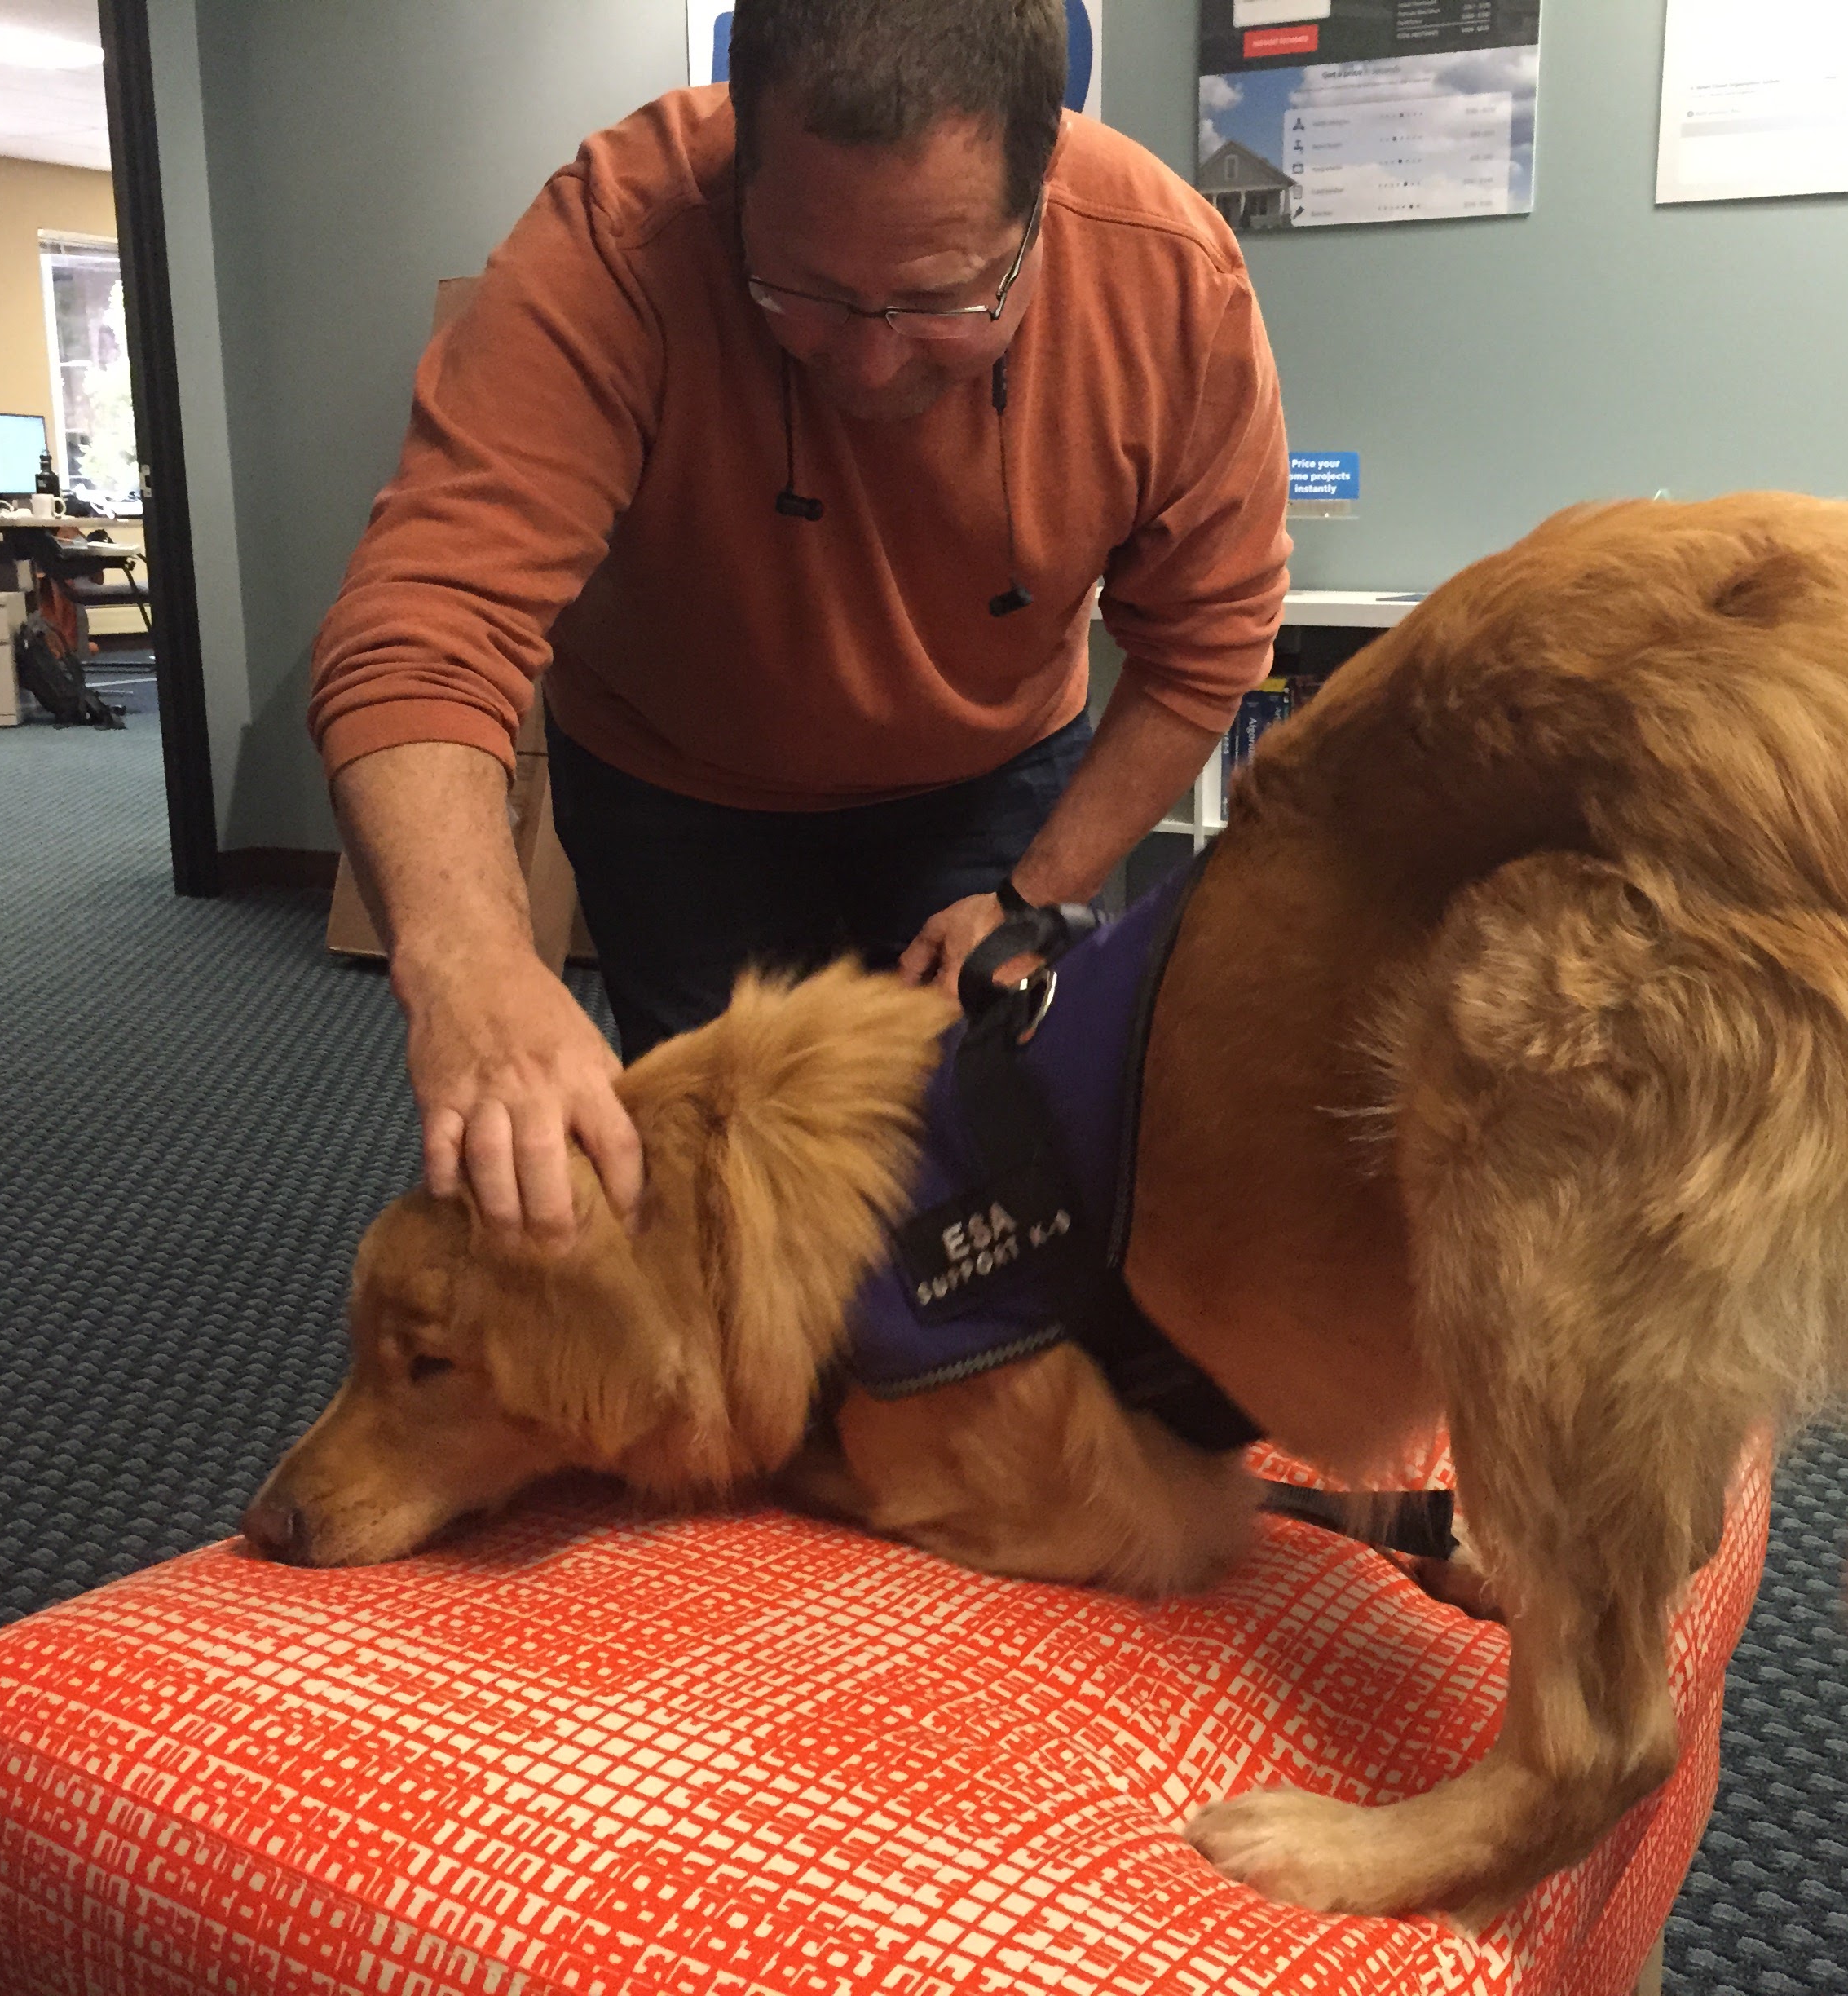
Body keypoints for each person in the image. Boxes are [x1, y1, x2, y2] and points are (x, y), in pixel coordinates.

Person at [307, 0, 1291, 1247]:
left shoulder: (1168, 277)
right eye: (803, 293)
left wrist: (1034, 897)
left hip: (987, 777)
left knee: (977, 1185)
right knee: (726, 1204)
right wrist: (471, 967)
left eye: (939, 299)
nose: (869, 369)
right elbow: (421, 621)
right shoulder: (620, 236)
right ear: (741, 163)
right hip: (676, 784)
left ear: (1045, 189)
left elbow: (1206, 648)